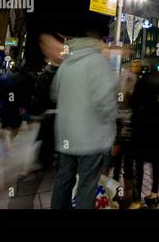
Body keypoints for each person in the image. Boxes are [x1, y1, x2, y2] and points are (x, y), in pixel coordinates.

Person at [50, 35, 117, 209]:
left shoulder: (66, 64)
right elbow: (105, 102)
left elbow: (54, 94)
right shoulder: (98, 62)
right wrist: (111, 125)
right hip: (90, 137)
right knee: (87, 184)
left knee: (63, 179)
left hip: (65, 135)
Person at [128, 58, 159, 209]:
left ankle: (136, 201)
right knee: (155, 163)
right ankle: (154, 195)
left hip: (142, 129)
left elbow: (133, 102)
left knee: (139, 164)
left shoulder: (142, 82)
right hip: (158, 130)